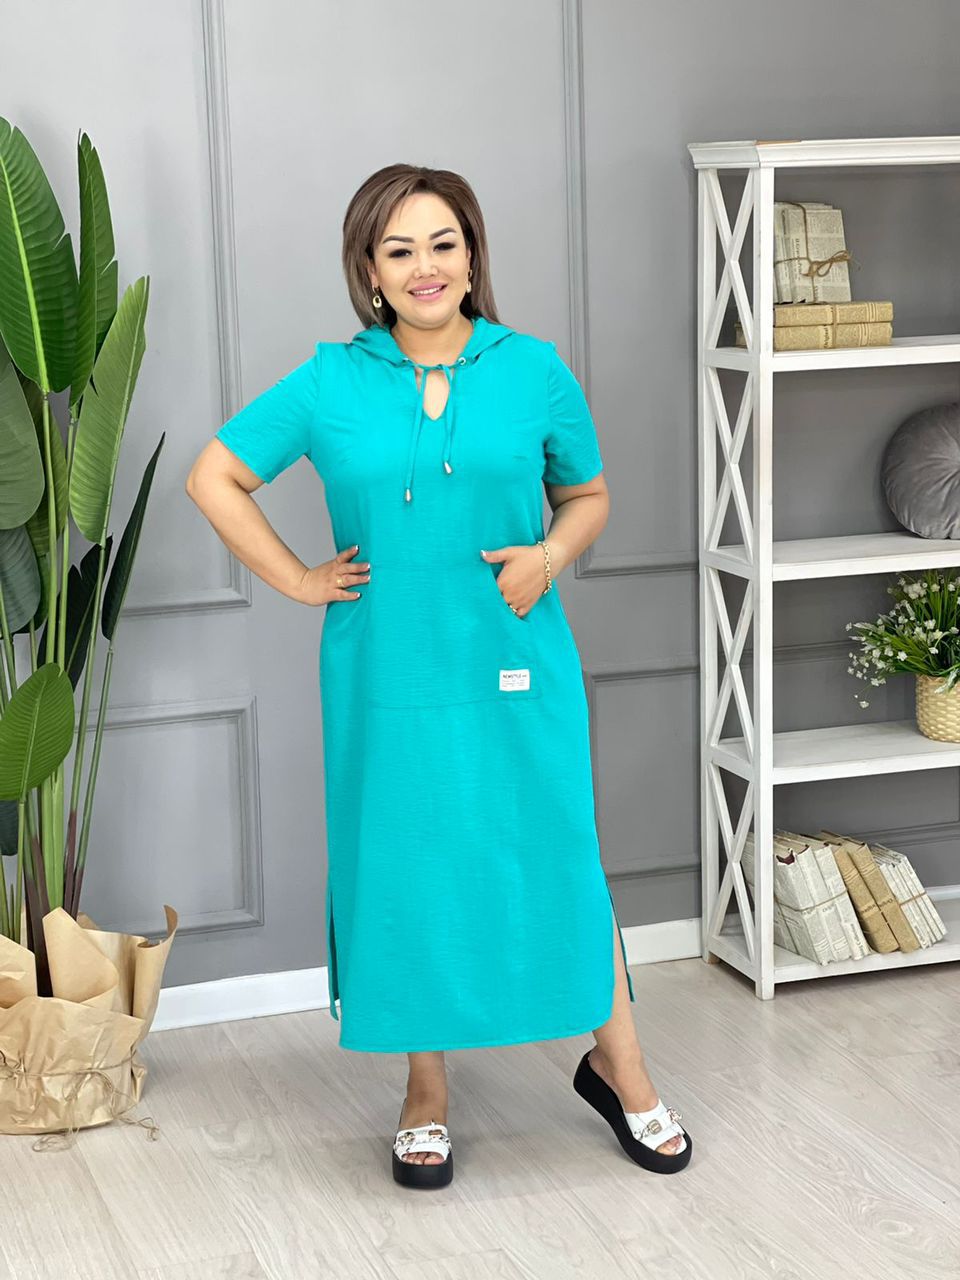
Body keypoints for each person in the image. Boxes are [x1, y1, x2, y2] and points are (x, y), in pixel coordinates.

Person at [186, 164, 691, 1189]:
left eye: (444, 244)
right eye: (400, 249)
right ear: (370, 271)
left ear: (472, 255)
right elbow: (216, 475)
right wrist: (299, 579)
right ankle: (425, 1087)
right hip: (385, 670)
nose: (426, 266)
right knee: (407, 859)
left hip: (515, 659)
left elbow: (588, 494)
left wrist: (548, 556)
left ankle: (621, 1065)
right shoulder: (331, 381)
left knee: (559, 853)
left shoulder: (533, 368)